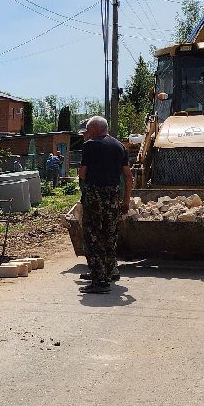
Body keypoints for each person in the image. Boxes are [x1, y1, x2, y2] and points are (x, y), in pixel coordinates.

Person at [78, 116, 133, 294]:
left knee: (92, 238)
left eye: (88, 130)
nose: (87, 133)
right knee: (109, 236)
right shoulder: (120, 146)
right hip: (113, 197)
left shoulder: (90, 145)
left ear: (95, 129)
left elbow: (83, 173)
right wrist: (126, 200)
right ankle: (110, 271)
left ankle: (100, 281)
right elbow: (128, 177)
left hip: (95, 197)